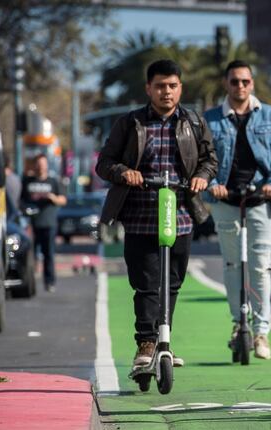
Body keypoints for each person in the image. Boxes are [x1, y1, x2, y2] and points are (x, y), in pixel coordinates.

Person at [95, 59, 218, 370]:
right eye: (160, 86)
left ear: (180, 88)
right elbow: (104, 163)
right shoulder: (130, 123)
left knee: (172, 283)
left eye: (172, 86)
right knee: (146, 283)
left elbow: (210, 160)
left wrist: (202, 176)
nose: (167, 92)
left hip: (181, 214)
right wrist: (124, 172)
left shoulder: (193, 122)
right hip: (139, 215)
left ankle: (164, 340)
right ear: (148, 88)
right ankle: (146, 343)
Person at [203, 60, 271, 360]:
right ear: (226, 83)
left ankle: (261, 331)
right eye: (235, 81)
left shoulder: (269, 115)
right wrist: (212, 183)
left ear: (252, 84)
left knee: (260, 265)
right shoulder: (211, 119)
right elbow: (203, 159)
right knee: (232, 264)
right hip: (225, 199)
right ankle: (239, 324)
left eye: (245, 81)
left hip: (260, 199)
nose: (240, 86)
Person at [21, 153, 67, 293]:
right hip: (31, 224)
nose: (41, 167)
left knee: (49, 254)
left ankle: (50, 281)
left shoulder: (53, 181)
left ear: (47, 165)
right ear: (35, 165)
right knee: (31, 255)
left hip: (49, 224)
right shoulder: (28, 181)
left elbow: (63, 200)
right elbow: (21, 200)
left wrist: (53, 198)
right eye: (39, 164)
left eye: (43, 164)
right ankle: (30, 281)